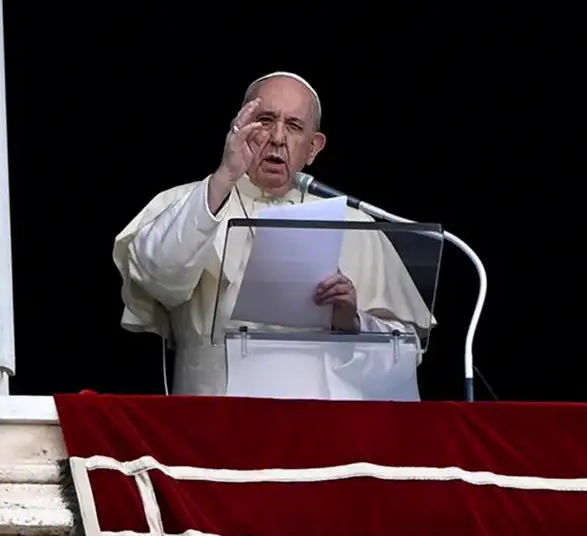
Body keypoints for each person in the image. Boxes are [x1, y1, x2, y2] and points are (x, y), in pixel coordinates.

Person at [112, 72, 432, 399]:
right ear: (240, 127)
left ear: (313, 148)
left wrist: (351, 323)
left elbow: (404, 356)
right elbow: (158, 277)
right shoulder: (188, 203)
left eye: (294, 126)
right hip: (214, 418)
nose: (278, 137)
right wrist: (225, 175)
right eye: (265, 120)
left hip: (327, 430)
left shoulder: (355, 223)